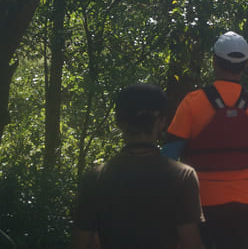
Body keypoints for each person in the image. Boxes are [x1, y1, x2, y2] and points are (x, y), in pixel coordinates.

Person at [164, 31, 248, 249]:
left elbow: (169, 156)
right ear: (246, 63)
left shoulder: (192, 103)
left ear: (214, 61)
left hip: (200, 201)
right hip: (245, 203)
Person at [71, 83, 204, 249]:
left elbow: (80, 242)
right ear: (162, 122)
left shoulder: (96, 177)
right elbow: (191, 243)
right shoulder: (182, 176)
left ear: (119, 122)